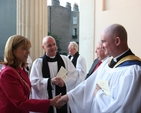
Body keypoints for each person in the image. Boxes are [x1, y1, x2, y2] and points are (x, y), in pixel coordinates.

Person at [57, 24, 141, 113]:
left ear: (117, 41)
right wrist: (69, 97)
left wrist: (99, 95)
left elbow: (123, 108)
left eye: (104, 41)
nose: (102, 46)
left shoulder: (133, 71)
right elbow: (89, 84)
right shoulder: (107, 63)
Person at [0, 35, 62, 113]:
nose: (28, 52)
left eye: (28, 48)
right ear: (13, 50)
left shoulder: (20, 70)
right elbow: (21, 102)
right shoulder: (8, 73)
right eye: (24, 49)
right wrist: (50, 102)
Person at [29, 36, 78, 113]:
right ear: (43, 47)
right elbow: (34, 82)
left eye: (54, 44)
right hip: (47, 103)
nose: (53, 47)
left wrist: (64, 82)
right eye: (49, 45)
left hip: (63, 102)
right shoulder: (38, 63)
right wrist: (49, 81)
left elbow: (74, 75)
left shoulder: (65, 60)